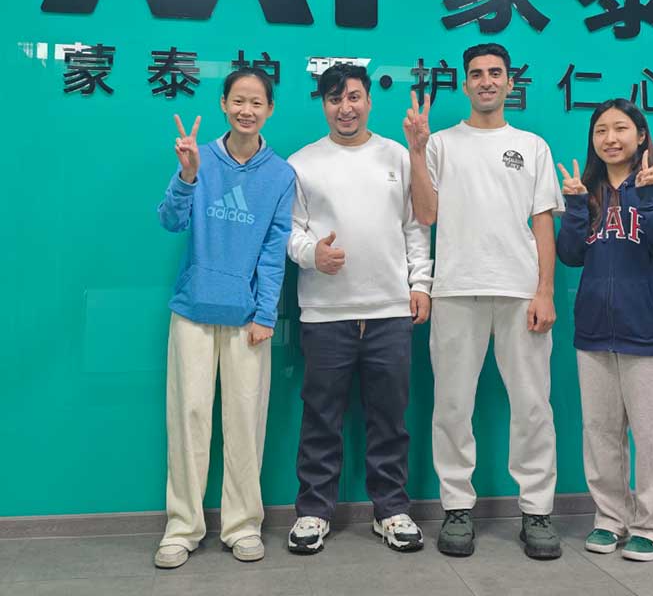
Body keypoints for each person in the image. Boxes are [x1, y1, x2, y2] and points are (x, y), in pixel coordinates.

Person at [404, 43, 565, 560]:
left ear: (510, 82)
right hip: (455, 289)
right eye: (476, 74)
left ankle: (536, 510)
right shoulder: (440, 144)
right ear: (465, 84)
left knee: (533, 405)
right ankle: (457, 507)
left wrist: (545, 290)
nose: (486, 81)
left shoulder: (532, 146)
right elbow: (426, 214)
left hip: (521, 292)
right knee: (452, 405)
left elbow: (543, 220)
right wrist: (415, 150)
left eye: (495, 72)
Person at [286, 63, 432, 555]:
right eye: (334, 99)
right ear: (323, 104)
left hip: (390, 310)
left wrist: (421, 283)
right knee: (320, 417)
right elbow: (288, 232)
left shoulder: (397, 155)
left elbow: (416, 225)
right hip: (325, 313)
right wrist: (313, 255)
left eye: (353, 97)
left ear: (369, 100)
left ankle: (391, 511)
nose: (345, 108)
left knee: (390, 418)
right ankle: (313, 512)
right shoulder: (302, 163)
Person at [153, 68, 294, 569]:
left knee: (245, 422)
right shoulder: (200, 158)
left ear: (270, 109)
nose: (246, 110)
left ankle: (242, 525)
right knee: (188, 418)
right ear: (223, 103)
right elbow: (170, 221)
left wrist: (266, 314)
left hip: (247, 319)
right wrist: (187, 175)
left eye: (256, 102)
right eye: (238, 100)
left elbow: (274, 253)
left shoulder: (281, 175)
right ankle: (182, 527)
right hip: (193, 311)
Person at [556, 98, 653, 562]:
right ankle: (610, 519)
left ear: (640, 135)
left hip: (650, 334)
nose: (610, 138)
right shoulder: (588, 191)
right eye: (601, 131)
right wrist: (576, 206)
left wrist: (650, 200)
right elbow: (571, 255)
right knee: (600, 435)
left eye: (620, 129)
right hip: (594, 333)